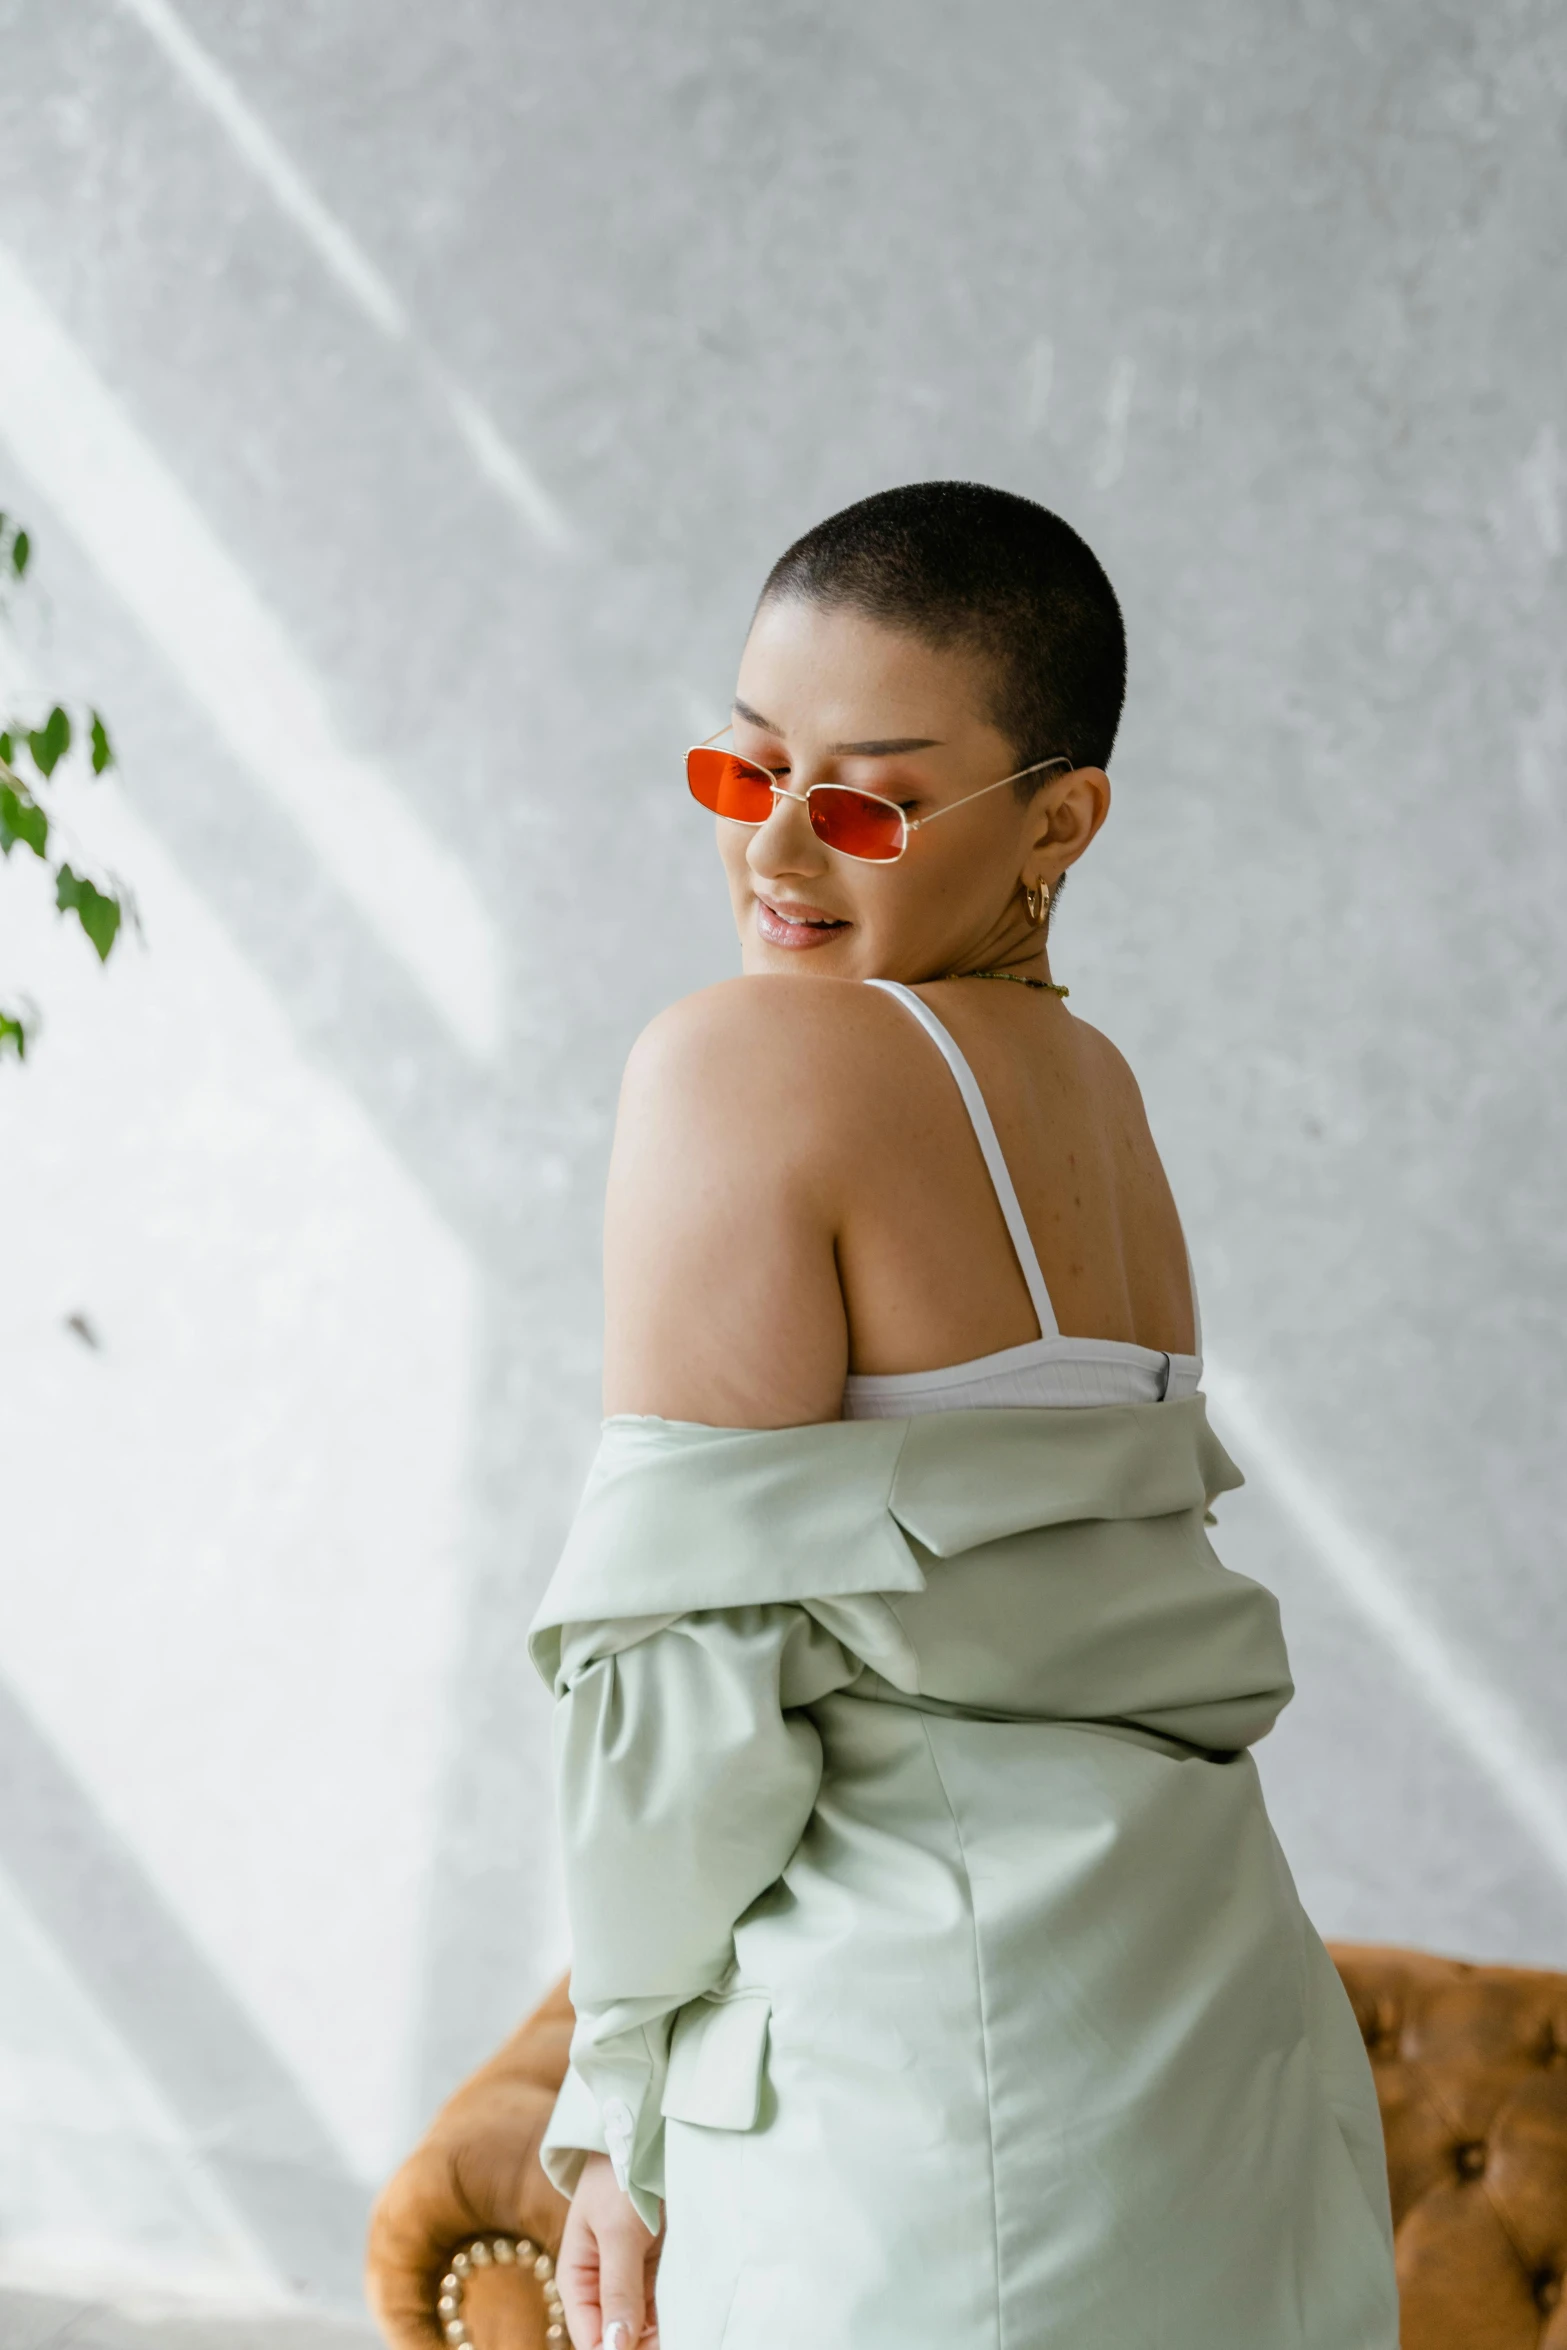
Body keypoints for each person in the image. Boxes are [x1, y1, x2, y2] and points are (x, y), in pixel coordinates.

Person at [528, 483, 1399, 2349]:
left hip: (924, 2090)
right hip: (1230, 2056)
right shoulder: (1101, 1096)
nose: (773, 846)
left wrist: (617, 2112)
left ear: (1059, 819)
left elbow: (687, 1691)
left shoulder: (739, 1064)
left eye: (861, 802)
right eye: (739, 766)